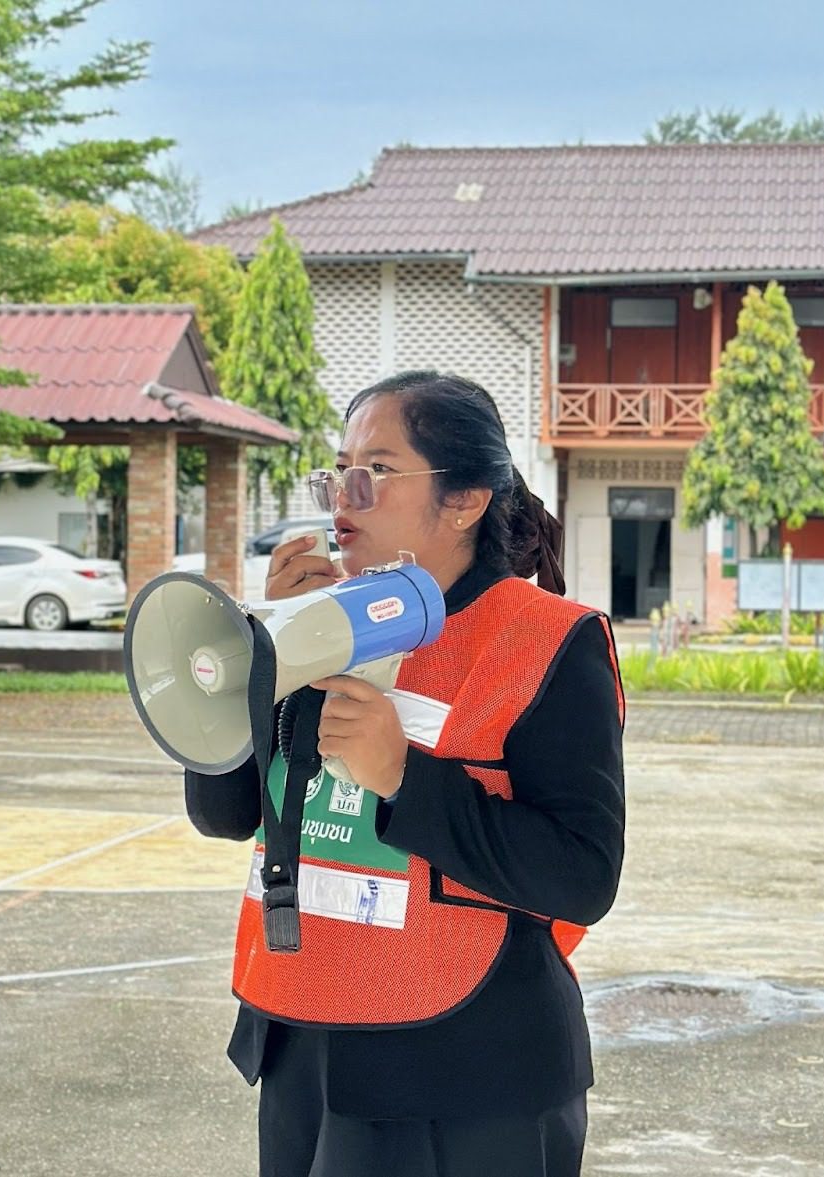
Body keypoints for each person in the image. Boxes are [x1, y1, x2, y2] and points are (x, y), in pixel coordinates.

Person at [184, 371, 625, 1177]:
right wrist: (259, 665)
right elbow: (225, 812)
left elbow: (583, 874)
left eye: (377, 470)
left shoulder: (546, 642)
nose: (344, 494)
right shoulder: (317, 629)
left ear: (464, 500)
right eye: (340, 467)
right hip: (303, 1044)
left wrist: (405, 779)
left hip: (468, 1070)